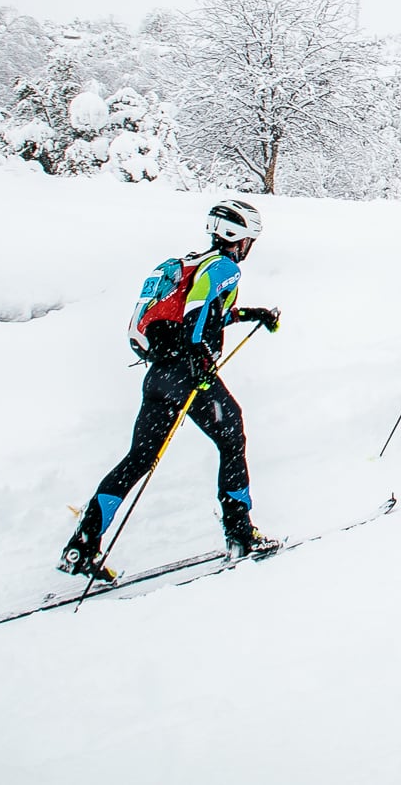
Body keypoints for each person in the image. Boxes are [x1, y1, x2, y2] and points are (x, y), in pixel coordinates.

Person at [60, 199, 284, 581]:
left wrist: (252, 314)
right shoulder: (225, 267)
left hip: (160, 376)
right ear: (238, 238)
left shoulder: (194, 263)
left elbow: (205, 312)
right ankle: (241, 533)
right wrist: (200, 365)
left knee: (138, 460)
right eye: (250, 240)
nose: (249, 248)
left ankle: (82, 546)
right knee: (233, 437)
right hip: (189, 374)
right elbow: (198, 317)